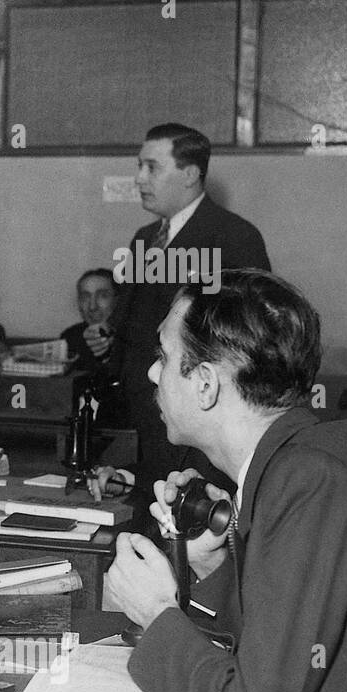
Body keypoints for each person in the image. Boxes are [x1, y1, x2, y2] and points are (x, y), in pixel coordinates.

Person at [103, 272, 347, 692]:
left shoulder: (307, 482)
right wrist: (206, 572)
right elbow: (291, 640)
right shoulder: (314, 455)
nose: (151, 372)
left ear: (204, 384)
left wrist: (156, 613)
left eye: (163, 355)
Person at [114, 122, 271, 491]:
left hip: (199, 440)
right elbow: (134, 321)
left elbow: (247, 343)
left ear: (189, 174)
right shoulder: (145, 239)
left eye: (152, 167)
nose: (139, 178)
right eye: (140, 166)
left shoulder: (235, 237)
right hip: (145, 423)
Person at [61, 268, 119, 374]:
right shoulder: (70, 337)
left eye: (103, 296)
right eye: (85, 297)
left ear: (117, 300)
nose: (92, 306)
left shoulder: (128, 338)